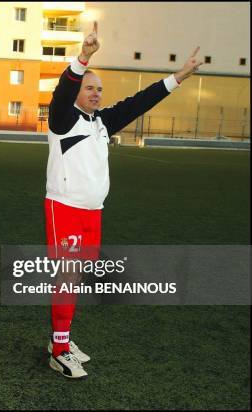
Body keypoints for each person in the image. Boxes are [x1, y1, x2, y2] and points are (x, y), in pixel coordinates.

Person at [44, 22, 203, 379]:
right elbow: (62, 89)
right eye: (90, 87)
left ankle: (62, 340)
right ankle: (58, 350)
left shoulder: (101, 122)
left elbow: (139, 101)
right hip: (64, 209)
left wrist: (178, 77)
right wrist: (83, 57)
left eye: (100, 89)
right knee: (66, 278)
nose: (97, 93)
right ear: (77, 91)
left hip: (93, 213)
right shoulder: (62, 120)